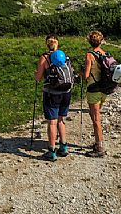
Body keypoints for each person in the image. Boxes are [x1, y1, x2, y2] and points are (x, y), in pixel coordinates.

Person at [34, 34, 72, 162]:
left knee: (52, 122)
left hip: (52, 93)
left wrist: (37, 74)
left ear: (46, 44)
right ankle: (64, 146)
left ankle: (51, 151)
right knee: (61, 120)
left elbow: (38, 78)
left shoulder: (44, 58)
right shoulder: (64, 56)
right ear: (57, 43)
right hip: (66, 91)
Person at [82, 30, 107, 157]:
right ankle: (98, 142)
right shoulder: (104, 53)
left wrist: (80, 73)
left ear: (89, 41)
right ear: (101, 41)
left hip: (93, 89)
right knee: (95, 116)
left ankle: (100, 147)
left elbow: (86, 75)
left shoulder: (89, 55)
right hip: (104, 89)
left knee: (96, 119)